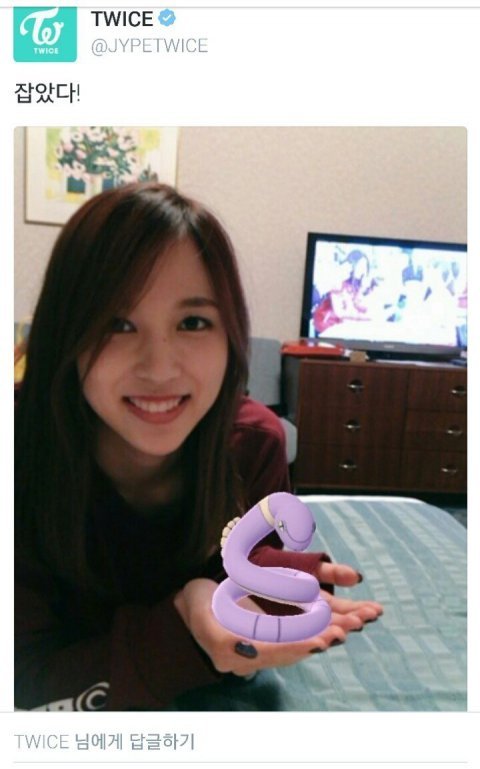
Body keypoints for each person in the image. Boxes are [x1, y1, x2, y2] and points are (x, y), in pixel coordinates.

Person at [15, 183, 382, 711]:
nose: (160, 368)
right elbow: (22, 685)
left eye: (193, 322)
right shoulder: (20, 453)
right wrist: (183, 626)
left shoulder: (253, 446)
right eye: (117, 323)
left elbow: (248, 580)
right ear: (65, 334)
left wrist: (255, 596)